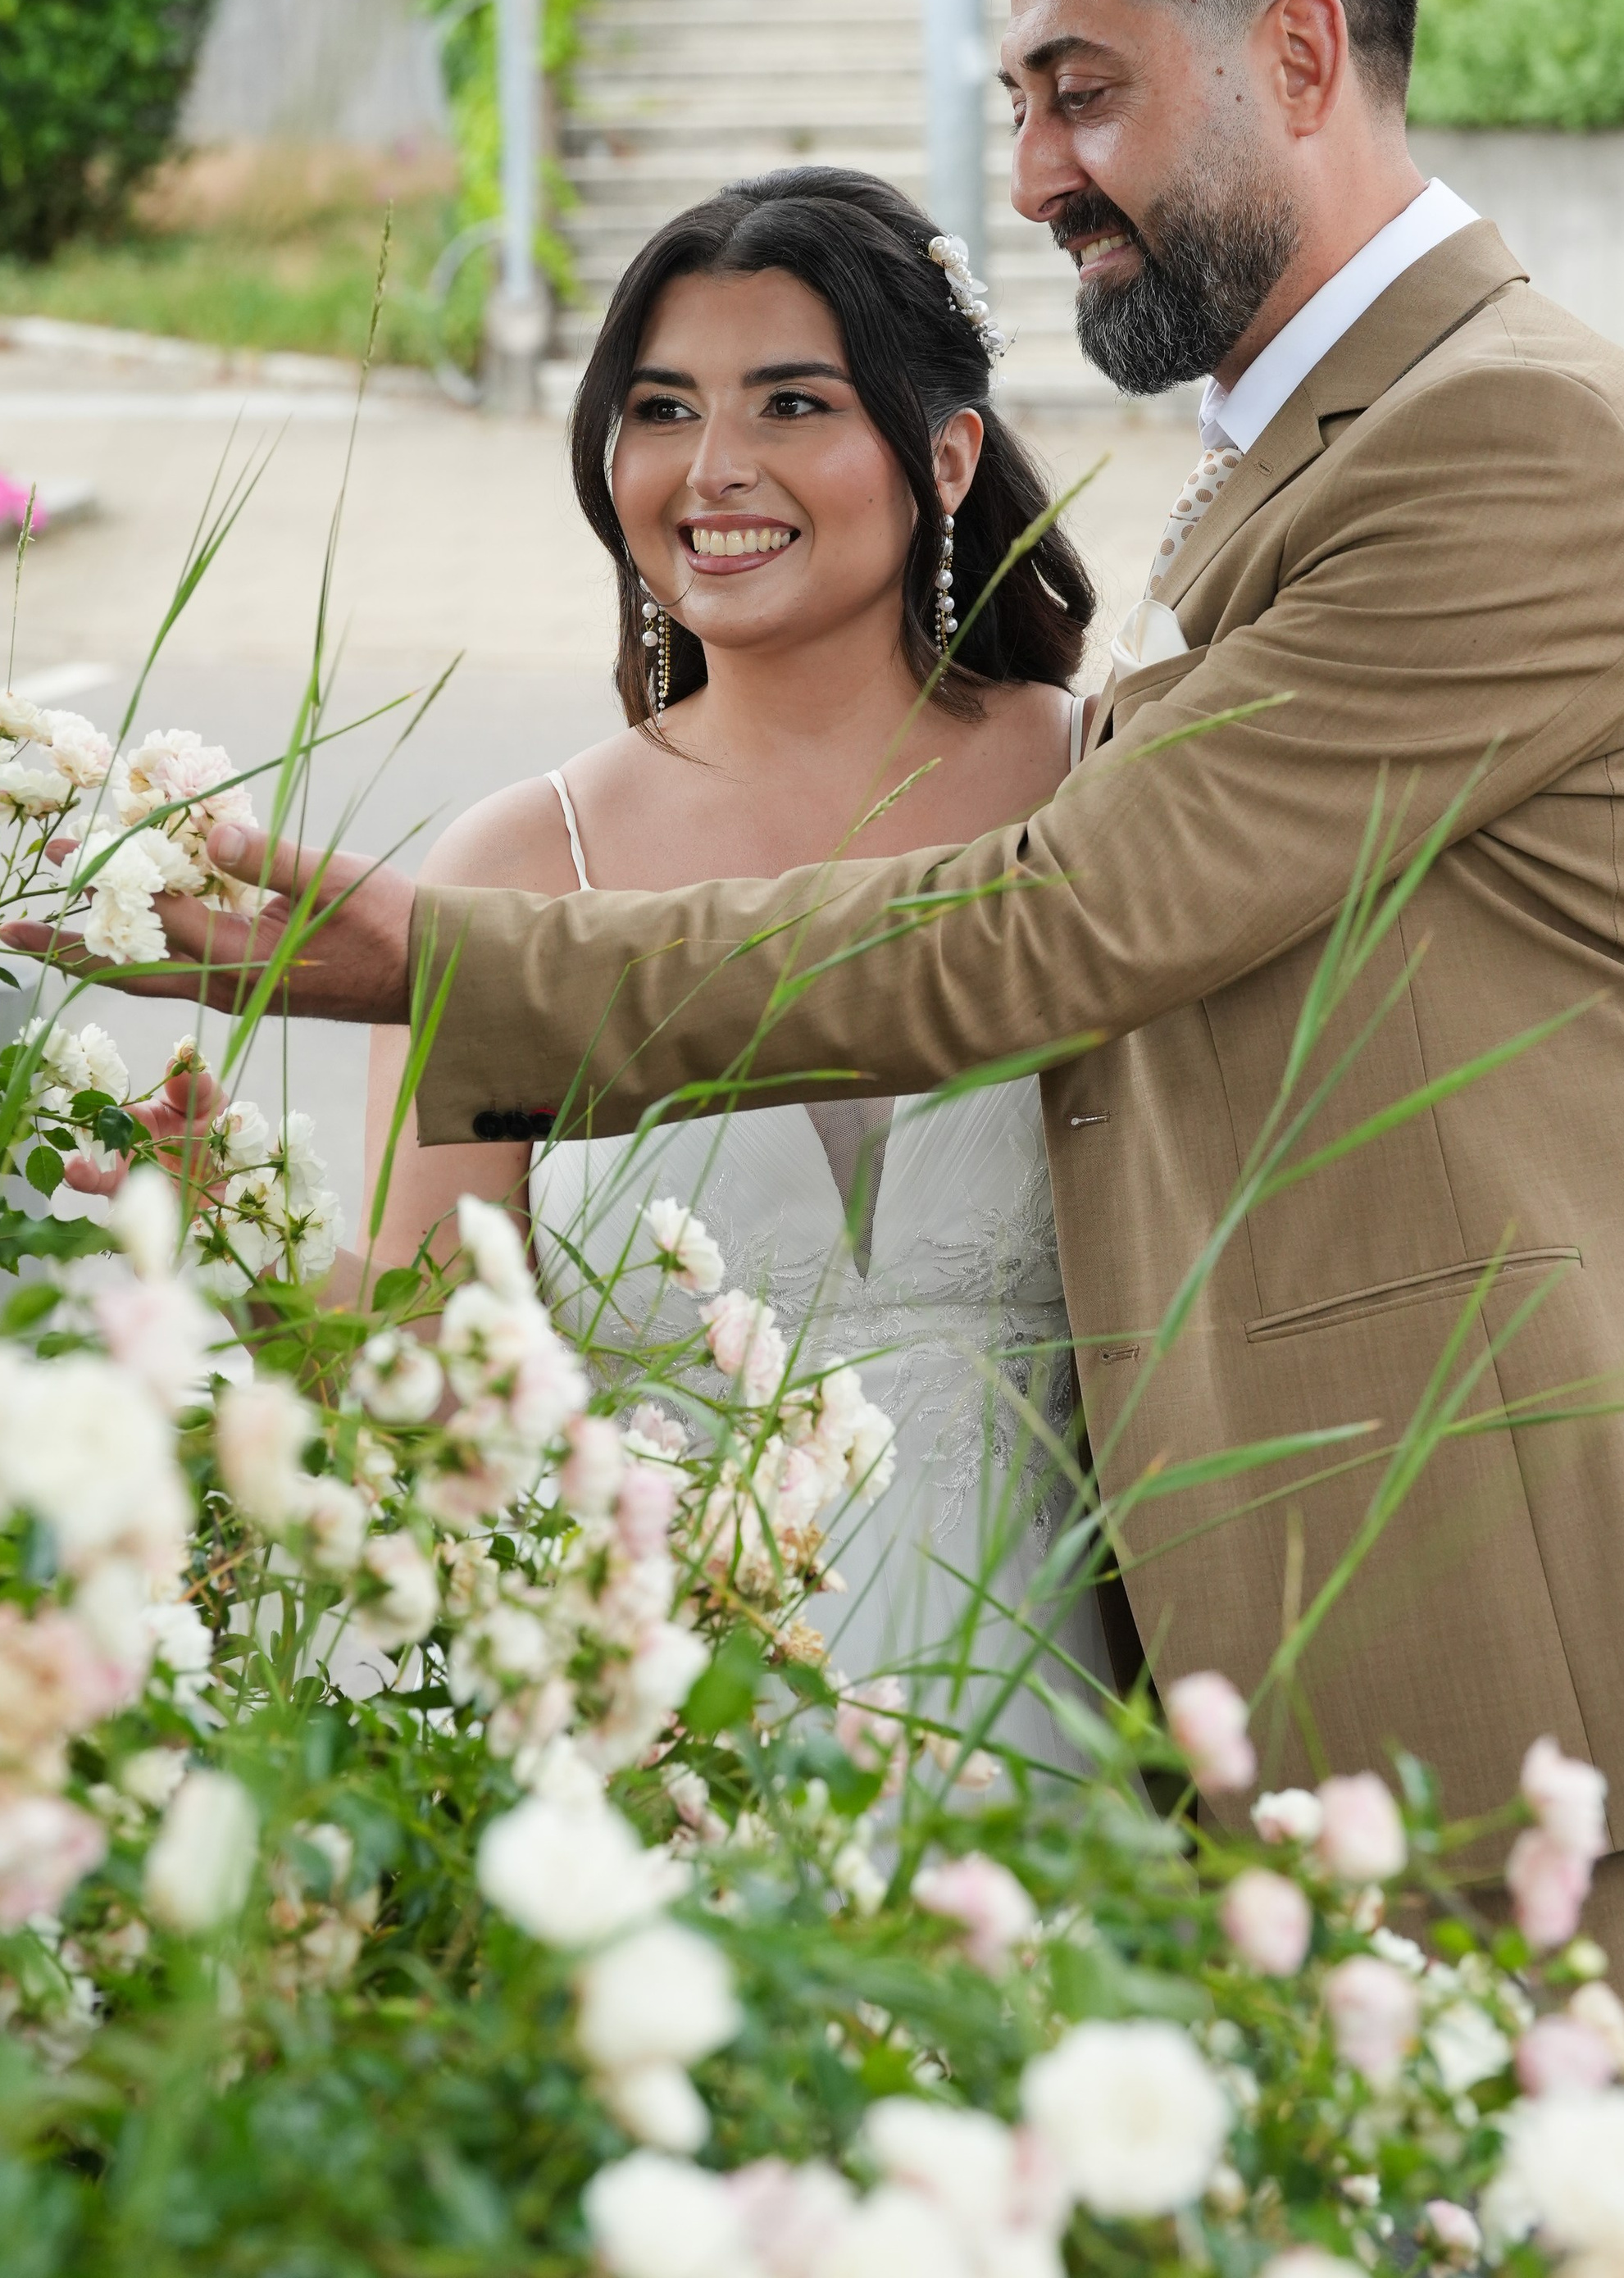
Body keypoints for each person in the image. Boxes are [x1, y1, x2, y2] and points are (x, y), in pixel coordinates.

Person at [17, 0, 1624, 2162]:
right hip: (1299, 1714)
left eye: (1080, 92)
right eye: (1018, 100)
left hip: (1550, 1663)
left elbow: (1072, 922)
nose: (1033, 176)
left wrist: (443, 965)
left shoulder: (1499, 445)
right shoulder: (1329, 448)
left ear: (1302, 56)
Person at [361, 166, 1111, 1757]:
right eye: (660, 409)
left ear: (948, 452)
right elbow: (415, 1387)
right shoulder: (516, 867)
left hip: (1068, 1767)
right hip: (659, 1785)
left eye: (789, 404)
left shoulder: (1104, 791)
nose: (713, 470)